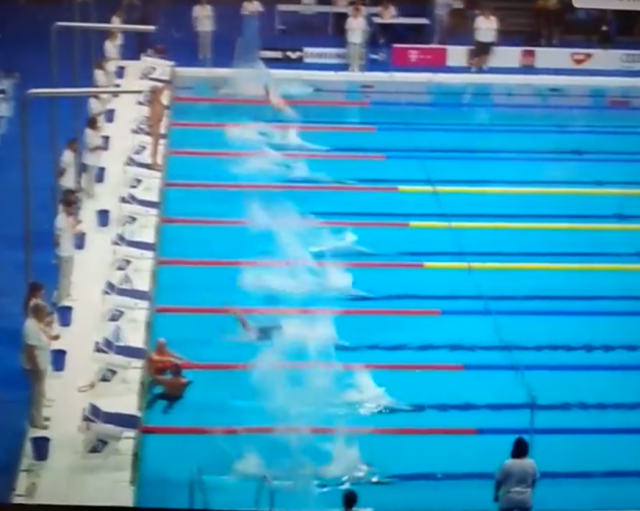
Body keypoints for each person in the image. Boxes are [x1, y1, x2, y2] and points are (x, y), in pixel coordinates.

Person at [22, 302, 52, 429]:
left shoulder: (36, 323)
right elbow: (30, 350)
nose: (45, 315)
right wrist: (36, 368)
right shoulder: (31, 327)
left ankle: (38, 415)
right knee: (37, 395)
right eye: (44, 313)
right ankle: (37, 421)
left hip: (41, 363)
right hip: (36, 366)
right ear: (38, 313)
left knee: (39, 393)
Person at [494, 436, 539, 511]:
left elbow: (498, 481)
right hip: (525, 500)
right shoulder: (532, 464)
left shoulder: (507, 464)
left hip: (509, 499)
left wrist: (496, 495)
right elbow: (533, 482)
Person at [54, 196, 82, 304]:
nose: (74, 210)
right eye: (72, 208)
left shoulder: (68, 218)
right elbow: (57, 237)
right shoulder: (60, 219)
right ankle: (61, 298)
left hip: (69, 250)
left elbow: (71, 229)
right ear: (66, 207)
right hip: (64, 252)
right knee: (64, 276)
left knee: (68, 275)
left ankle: (66, 293)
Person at [149, 85, 169, 170]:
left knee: (156, 144)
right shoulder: (155, 104)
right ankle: (154, 162)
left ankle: (155, 162)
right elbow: (154, 119)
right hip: (156, 125)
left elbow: (163, 88)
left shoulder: (157, 100)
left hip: (157, 124)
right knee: (155, 144)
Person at [82, 116, 103, 197]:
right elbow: (90, 148)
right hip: (90, 159)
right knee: (90, 177)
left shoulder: (94, 131)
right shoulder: (87, 133)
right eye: (96, 124)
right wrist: (99, 147)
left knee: (92, 177)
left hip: (95, 159)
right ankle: (89, 192)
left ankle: (90, 191)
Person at [345, 4, 368, 72]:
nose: (355, 13)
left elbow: (364, 31)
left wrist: (363, 39)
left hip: (359, 39)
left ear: (359, 12)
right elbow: (347, 29)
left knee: (357, 54)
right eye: (353, 11)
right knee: (351, 53)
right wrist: (347, 38)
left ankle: (356, 66)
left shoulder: (362, 20)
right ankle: (351, 66)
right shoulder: (349, 19)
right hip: (350, 39)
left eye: (356, 11)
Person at [192, 0, 215, 65]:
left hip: (208, 27)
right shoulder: (196, 8)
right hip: (200, 27)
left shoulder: (209, 8)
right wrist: (194, 26)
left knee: (208, 41)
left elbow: (212, 17)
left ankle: (208, 53)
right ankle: (201, 53)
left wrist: (213, 26)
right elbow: (194, 18)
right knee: (201, 41)